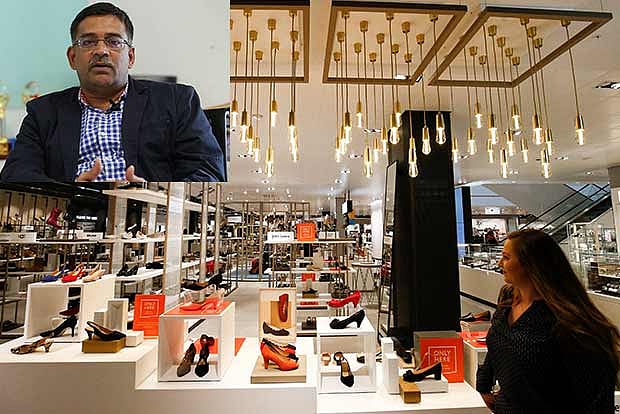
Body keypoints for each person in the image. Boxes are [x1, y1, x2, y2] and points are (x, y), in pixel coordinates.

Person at [1, 2, 225, 182]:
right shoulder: (43, 112)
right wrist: (71, 189)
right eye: (88, 42)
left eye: (114, 41)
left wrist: (154, 193)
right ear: (72, 57)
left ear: (131, 57)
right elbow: (15, 174)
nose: (101, 50)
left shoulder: (177, 101)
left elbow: (209, 171)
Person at [476, 229, 619, 413]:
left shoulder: (566, 321)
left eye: (506, 257)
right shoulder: (508, 300)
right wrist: (483, 385)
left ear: (531, 264)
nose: (499, 263)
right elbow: (498, 344)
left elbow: (594, 393)